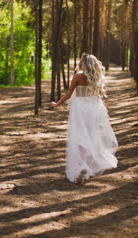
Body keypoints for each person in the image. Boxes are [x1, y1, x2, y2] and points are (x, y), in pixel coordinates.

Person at [50, 53, 118, 185]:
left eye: (81, 61)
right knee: (91, 135)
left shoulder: (77, 77)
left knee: (79, 136)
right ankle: (87, 164)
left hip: (79, 108)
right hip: (93, 109)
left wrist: (56, 104)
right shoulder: (97, 77)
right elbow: (98, 95)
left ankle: (82, 166)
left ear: (84, 63)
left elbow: (69, 95)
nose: (79, 62)